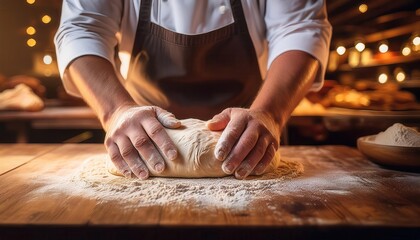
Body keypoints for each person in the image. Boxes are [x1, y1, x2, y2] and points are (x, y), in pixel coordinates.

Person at [55, 0, 332, 180]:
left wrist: (269, 113)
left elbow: (300, 27)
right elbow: (82, 28)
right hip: (142, 136)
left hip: (251, 133)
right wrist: (117, 110)